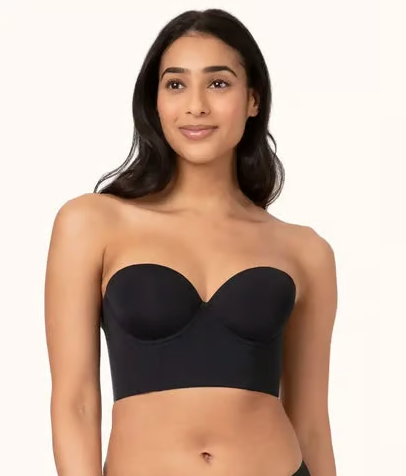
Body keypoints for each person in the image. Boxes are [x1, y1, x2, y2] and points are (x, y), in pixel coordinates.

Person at [44, 8, 338, 476]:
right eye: (176, 84)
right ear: (155, 101)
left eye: (218, 83)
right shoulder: (92, 223)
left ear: (253, 99)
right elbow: (75, 402)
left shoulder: (305, 250)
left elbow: (312, 424)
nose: (195, 105)